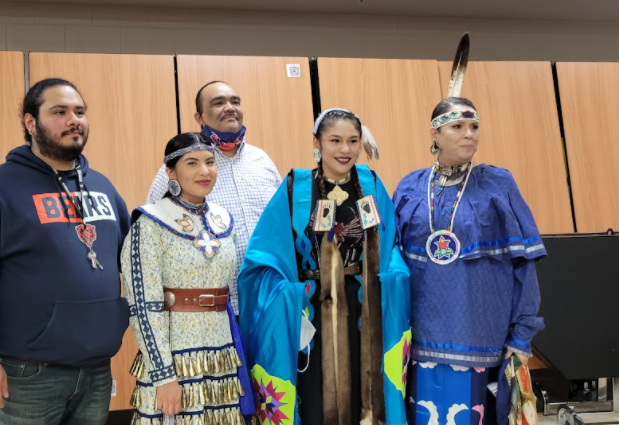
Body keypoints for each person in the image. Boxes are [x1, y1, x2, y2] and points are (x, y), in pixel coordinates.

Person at [0, 78, 131, 425]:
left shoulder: (103, 187)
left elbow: (135, 260)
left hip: (97, 370)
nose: (73, 119)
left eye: (79, 111)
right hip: (27, 373)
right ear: (31, 123)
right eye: (59, 112)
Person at [239, 108, 412, 425]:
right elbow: (262, 258)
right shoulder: (296, 187)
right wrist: (293, 295)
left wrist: (391, 280)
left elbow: (392, 248)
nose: (344, 150)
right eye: (335, 140)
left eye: (352, 141)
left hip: (366, 311)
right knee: (315, 399)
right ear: (317, 142)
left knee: (368, 393)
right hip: (312, 312)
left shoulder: (371, 184)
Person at [393, 96, 545, 425]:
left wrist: (522, 334)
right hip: (420, 338)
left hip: (480, 336)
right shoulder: (410, 187)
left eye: (474, 127)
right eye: (458, 127)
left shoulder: (497, 184)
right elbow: (393, 268)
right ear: (434, 133)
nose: (469, 134)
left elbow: (524, 265)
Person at [123, 132, 253, 425]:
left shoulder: (223, 221)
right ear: (171, 171)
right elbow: (143, 307)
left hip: (221, 355)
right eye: (192, 163)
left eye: (210, 162)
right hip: (175, 358)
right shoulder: (151, 223)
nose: (204, 171)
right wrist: (163, 375)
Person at [146, 81, 282, 314]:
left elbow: (282, 223)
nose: (229, 107)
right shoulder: (180, 167)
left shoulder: (262, 160)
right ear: (199, 117)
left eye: (235, 101)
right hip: (213, 309)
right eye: (218, 103)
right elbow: (152, 231)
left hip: (268, 300)